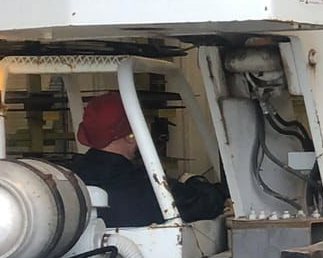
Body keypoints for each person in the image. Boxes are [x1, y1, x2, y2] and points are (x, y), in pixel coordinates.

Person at [64, 90, 226, 227]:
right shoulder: (149, 187)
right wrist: (195, 181)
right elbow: (205, 205)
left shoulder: (69, 180)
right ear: (131, 135)